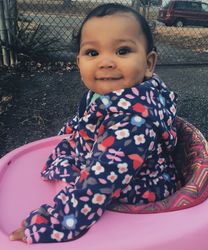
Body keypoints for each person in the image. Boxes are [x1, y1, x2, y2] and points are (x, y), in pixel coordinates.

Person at [9, 3, 178, 243]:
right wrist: (65, 138)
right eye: (92, 53)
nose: (106, 62)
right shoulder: (101, 94)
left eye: (122, 51)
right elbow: (83, 122)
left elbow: (99, 186)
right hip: (105, 168)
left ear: (148, 63)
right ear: (79, 63)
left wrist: (54, 222)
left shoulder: (132, 122)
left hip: (133, 191)